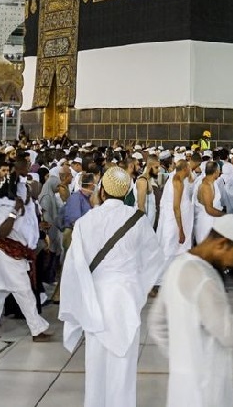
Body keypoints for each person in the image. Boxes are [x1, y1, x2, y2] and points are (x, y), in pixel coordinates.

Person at [59, 167, 165, 407]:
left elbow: (75, 267)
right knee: (123, 364)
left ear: (102, 191)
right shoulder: (138, 219)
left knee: (95, 364)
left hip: (95, 298)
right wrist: (136, 286)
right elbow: (154, 260)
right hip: (125, 298)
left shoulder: (86, 222)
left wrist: (79, 301)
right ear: (128, 191)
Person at [149, 214, 233, 407]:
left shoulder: (178, 265)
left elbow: (156, 323)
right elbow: (231, 336)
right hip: (206, 385)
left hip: (183, 380)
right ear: (221, 244)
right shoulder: (203, 278)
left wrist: (183, 356)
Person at [0, 183, 52, 341]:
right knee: (24, 292)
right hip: (8, 254)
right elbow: (2, 231)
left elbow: (21, 229)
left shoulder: (25, 208)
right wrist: (14, 211)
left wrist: (38, 225)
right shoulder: (4, 208)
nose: (30, 196)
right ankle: (37, 330)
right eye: (27, 193)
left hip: (13, 254)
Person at [156, 159, 194, 270]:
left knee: (175, 250)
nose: (190, 171)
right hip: (174, 223)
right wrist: (181, 230)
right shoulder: (177, 182)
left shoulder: (180, 179)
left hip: (176, 221)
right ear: (185, 169)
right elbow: (176, 207)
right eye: (189, 169)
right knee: (170, 249)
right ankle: (163, 279)